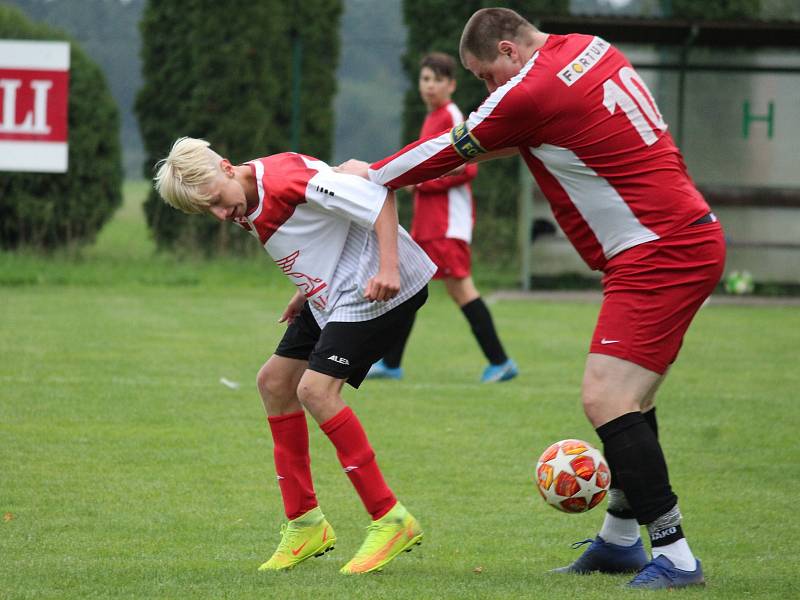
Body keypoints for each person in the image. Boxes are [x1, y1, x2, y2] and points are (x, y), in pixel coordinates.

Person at [338, 7, 725, 590]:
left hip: (658, 250)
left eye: (485, 76)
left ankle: (676, 555)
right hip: (677, 235)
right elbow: (515, 136)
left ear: (510, 53)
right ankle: (621, 541)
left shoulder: (529, 90)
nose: (487, 90)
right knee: (632, 399)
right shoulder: (586, 47)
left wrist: (368, 174)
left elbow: (452, 149)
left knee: (606, 397)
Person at [154, 137, 436, 574]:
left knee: (316, 391)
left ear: (228, 168)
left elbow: (377, 197)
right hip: (329, 295)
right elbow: (319, 233)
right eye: (205, 212)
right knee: (274, 383)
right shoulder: (242, 199)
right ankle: (305, 524)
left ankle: (389, 518)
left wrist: (390, 267)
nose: (220, 214)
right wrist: (305, 290)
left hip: (377, 288)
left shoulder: (287, 180)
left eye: (215, 201)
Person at [367, 51, 518, 384]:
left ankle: (501, 361)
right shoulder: (432, 116)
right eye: (425, 79)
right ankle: (391, 362)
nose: (429, 86)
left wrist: (420, 181)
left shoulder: (450, 115)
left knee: (460, 289)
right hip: (431, 223)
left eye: (437, 79)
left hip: (448, 224)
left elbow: (468, 168)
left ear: (451, 85)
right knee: (407, 285)